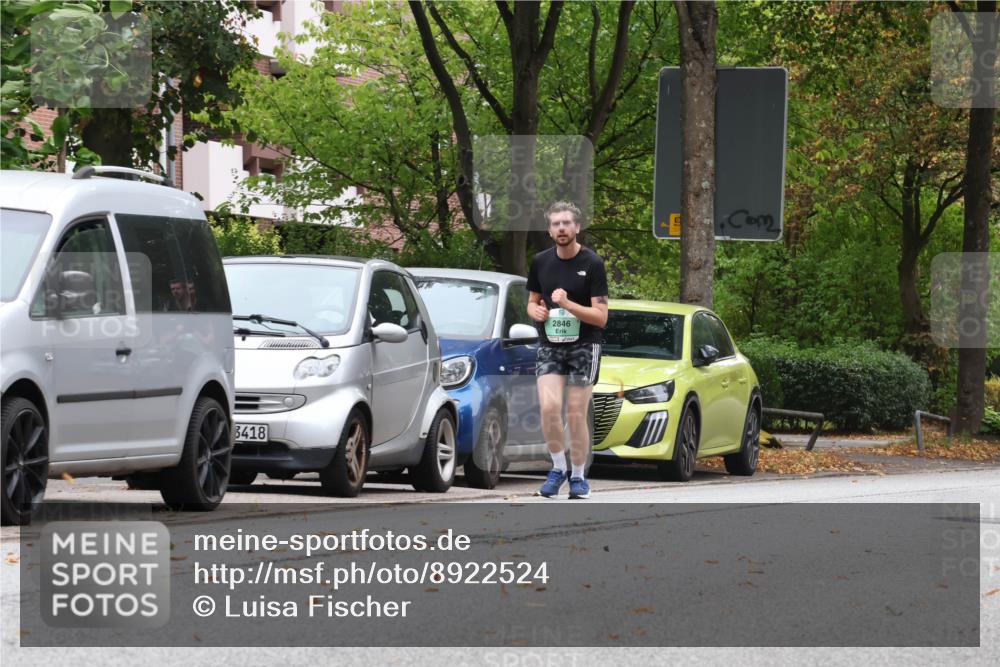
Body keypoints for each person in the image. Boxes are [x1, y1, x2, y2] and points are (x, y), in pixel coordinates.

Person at [526, 201, 608, 499]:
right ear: (550, 230)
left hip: (585, 345)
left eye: (566, 223)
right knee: (549, 408)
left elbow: (601, 317)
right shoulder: (540, 262)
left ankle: (578, 476)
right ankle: (558, 469)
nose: (561, 228)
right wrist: (535, 311)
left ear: (577, 227)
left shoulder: (593, 263)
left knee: (574, 413)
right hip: (551, 344)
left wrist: (568, 304)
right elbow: (532, 302)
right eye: (555, 224)